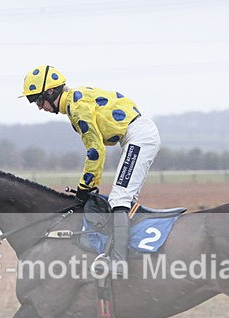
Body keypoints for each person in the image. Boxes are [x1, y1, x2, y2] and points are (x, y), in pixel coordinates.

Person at [21, 65, 161, 276]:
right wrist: (87, 187)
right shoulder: (76, 101)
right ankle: (125, 251)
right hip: (137, 134)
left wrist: (85, 188)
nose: (39, 107)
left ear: (51, 92)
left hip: (139, 136)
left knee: (120, 198)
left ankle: (119, 262)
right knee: (123, 198)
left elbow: (96, 152)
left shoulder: (78, 108)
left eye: (38, 100)